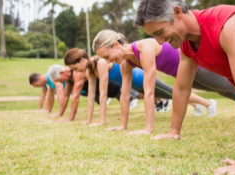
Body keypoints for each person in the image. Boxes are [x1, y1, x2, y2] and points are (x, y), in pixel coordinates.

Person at [134, 1, 235, 174]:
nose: (160, 42)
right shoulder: (187, 45)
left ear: (177, 13)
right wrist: (173, 131)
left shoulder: (228, 24)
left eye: (160, 32)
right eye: (154, 36)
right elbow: (182, 88)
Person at [93, 30, 221, 135]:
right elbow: (125, 96)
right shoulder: (125, 65)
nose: (108, 62)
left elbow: (149, 92)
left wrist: (148, 129)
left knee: (227, 86)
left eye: (106, 56)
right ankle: (211, 103)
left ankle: (212, 103)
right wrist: (122, 126)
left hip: (195, 66)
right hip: (179, 74)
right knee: (221, 88)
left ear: (116, 45)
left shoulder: (144, 48)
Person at [48, 64, 140, 124]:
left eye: (58, 80)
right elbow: (65, 96)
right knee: (134, 96)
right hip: (105, 91)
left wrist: (70, 118)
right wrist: (60, 114)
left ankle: (154, 98)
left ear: (61, 73)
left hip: (113, 86)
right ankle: (153, 98)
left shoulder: (76, 73)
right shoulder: (69, 80)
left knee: (138, 94)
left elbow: (75, 97)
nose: (60, 82)